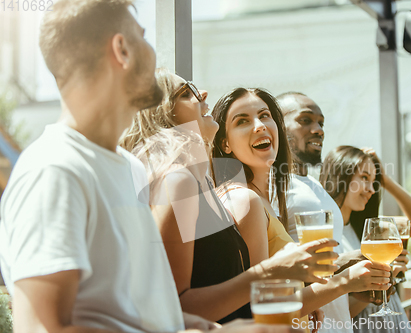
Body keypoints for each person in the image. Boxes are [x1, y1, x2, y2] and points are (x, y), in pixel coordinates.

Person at [0, 1, 300, 332]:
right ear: (122, 49)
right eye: (143, 37)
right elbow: (45, 327)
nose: (154, 52)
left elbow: (138, 313)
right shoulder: (55, 170)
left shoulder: (129, 169)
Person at [120, 69, 339, 325]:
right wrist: (273, 272)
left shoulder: (201, 185)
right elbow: (174, 308)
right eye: (186, 92)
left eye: (266, 115)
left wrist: (292, 299)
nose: (202, 93)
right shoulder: (179, 181)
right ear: (162, 113)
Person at [211, 88, 393, 327]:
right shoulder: (246, 200)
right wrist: (345, 281)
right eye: (242, 120)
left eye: (265, 115)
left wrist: (312, 297)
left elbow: (280, 289)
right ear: (225, 143)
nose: (259, 125)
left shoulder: (260, 198)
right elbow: (263, 303)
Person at [277, 92, 385, 333]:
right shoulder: (275, 186)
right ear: (277, 125)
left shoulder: (313, 185)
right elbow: (274, 268)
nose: (318, 129)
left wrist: (359, 281)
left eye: (321, 123)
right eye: (305, 120)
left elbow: (325, 275)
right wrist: (343, 265)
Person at [319, 145, 411, 332]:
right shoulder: (322, 233)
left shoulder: (370, 229)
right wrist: (383, 280)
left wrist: (386, 180)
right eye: (364, 177)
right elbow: (336, 312)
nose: (372, 189)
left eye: (374, 181)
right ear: (339, 175)